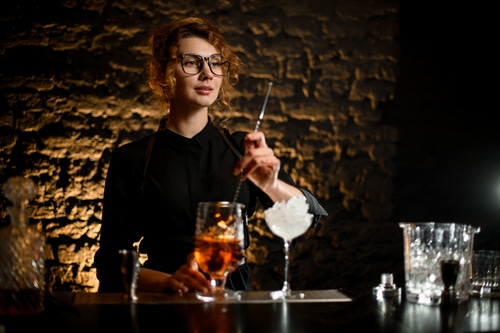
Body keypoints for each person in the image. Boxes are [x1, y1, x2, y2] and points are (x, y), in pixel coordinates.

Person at [94, 17, 328, 294]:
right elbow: (110, 264)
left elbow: (307, 218)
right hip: (161, 302)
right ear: (162, 75)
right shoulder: (132, 159)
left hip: (234, 299)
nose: (207, 73)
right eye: (192, 62)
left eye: (215, 63)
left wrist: (271, 185)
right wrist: (168, 283)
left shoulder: (243, 148)